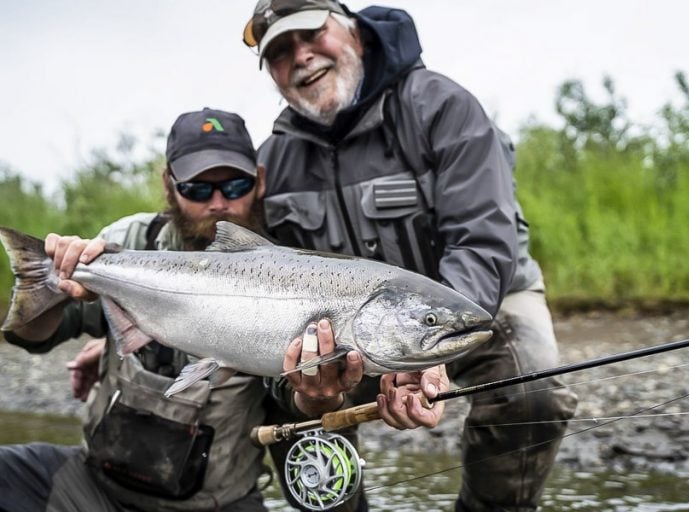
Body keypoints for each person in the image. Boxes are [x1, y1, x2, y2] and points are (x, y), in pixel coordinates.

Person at [0, 107, 446, 512]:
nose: (218, 203)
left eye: (235, 185)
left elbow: (293, 414)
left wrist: (316, 398)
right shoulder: (129, 244)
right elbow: (34, 336)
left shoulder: (298, 275)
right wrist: (58, 278)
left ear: (260, 181)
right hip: (93, 489)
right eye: (197, 187)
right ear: (169, 187)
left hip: (218, 503)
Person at [243, 2, 580, 510]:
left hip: (478, 299)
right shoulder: (274, 159)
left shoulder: (441, 107)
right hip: (342, 324)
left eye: (311, 35)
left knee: (532, 393)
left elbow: (483, 240)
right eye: (280, 53)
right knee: (283, 397)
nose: (302, 57)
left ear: (353, 31)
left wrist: (421, 349)